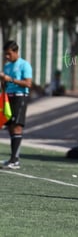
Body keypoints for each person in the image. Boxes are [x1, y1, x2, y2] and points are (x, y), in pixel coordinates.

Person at [0, 40, 33, 169]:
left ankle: (15, 160)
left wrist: (11, 79)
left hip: (20, 97)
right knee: (9, 127)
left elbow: (28, 84)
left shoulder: (25, 65)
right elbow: (5, 84)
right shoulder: (7, 66)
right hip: (8, 97)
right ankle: (13, 158)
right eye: (5, 54)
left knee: (17, 127)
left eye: (9, 54)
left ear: (15, 52)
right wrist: (3, 81)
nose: (7, 57)